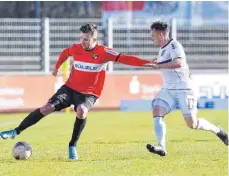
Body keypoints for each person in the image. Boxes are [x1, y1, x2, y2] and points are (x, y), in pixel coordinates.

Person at [0, 23, 150, 160]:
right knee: (47, 108)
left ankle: (72, 146)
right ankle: (15, 131)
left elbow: (125, 58)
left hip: (89, 93)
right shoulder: (76, 48)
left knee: (82, 110)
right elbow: (65, 53)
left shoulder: (104, 52)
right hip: (70, 88)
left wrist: (147, 63)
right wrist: (56, 67)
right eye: (81, 38)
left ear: (94, 38)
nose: (82, 42)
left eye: (85, 39)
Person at [145, 21, 228, 156]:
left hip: (184, 89)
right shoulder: (162, 49)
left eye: (153, 35)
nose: (151, 37)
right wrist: (156, 61)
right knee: (157, 110)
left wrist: (159, 65)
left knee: (192, 123)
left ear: (161, 34)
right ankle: (161, 146)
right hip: (168, 90)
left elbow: (179, 62)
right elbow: (166, 61)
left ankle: (219, 131)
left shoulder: (175, 45)